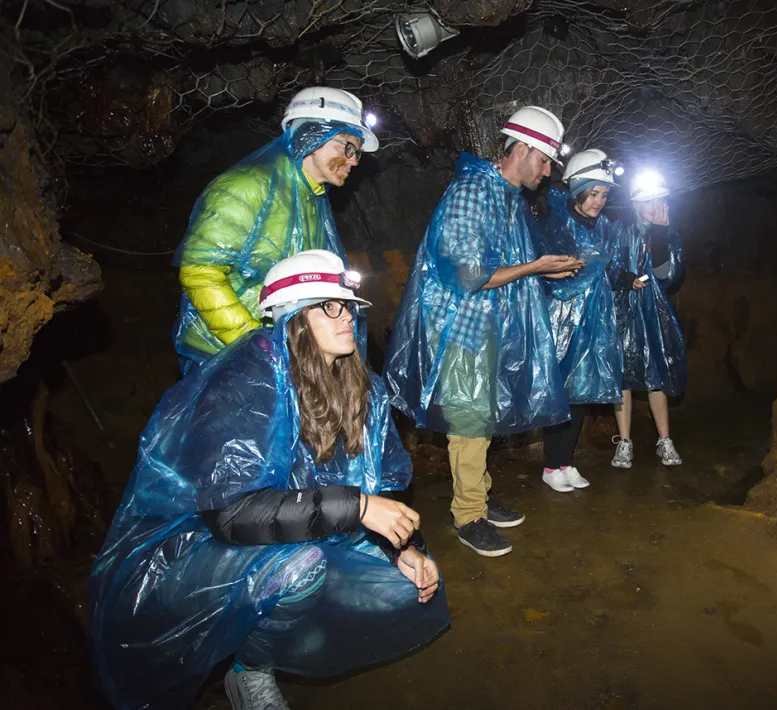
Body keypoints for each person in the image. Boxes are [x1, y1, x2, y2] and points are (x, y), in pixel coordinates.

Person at [89, 250, 449, 710]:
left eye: (348, 305)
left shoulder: (359, 384)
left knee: (401, 587)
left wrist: (407, 548)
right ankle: (249, 670)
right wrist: (357, 508)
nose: (347, 317)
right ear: (293, 318)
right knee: (301, 569)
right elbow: (231, 514)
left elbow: (381, 483)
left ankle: (288, 626)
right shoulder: (246, 381)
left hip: (302, 528)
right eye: (328, 305)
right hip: (195, 548)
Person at [384, 106, 583, 557]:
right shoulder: (473, 191)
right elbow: (468, 273)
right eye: (546, 160)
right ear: (524, 149)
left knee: (483, 416)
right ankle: (468, 515)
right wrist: (535, 266)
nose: (548, 172)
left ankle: (479, 496)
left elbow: (499, 266)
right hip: (463, 326)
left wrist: (542, 273)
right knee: (470, 420)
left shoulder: (506, 196)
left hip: (490, 324)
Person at [173, 86, 378, 373]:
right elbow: (200, 272)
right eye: (348, 147)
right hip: (223, 359)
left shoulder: (312, 201)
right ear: (312, 136)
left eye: (356, 152)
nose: (354, 159)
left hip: (285, 358)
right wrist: (252, 343)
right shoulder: (245, 188)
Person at [535, 148, 624, 493]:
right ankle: (550, 464)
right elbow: (546, 271)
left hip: (591, 320)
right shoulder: (554, 222)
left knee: (580, 391)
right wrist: (580, 270)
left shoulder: (600, 227)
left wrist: (622, 275)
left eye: (604, 194)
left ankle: (566, 462)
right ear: (577, 190)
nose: (599, 201)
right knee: (560, 393)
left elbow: (606, 268)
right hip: (560, 319)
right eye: (593, 193)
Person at [609, 169, 687, 468]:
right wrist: (623, 278)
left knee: (656, 373)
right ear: (635, 204)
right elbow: (607, 265)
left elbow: (668, 276)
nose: (655, 206)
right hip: (622, 311)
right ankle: (624, 442)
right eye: (648, 201)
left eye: (660, 200)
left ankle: (664, 440)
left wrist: (660, 234)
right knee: (622, 375)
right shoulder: (618, 230)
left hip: (653, 312)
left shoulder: (667, 232)